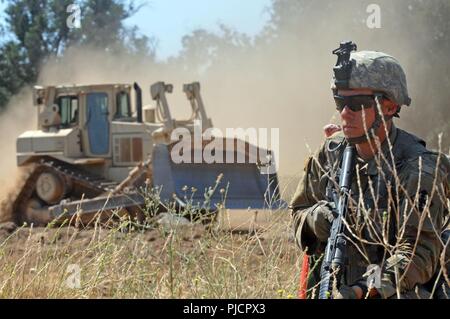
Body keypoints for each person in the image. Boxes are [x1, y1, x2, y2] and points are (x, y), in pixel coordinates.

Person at [290, 41, 450, 299]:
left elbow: (417, 254)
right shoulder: (330, 155)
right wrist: (318, 219)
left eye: (358, 104)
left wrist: (363, 290)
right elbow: (297, 214)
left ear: (390, 107)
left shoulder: (417, 168)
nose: (344, 113)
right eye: (339, 101)